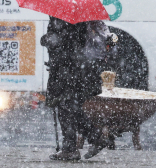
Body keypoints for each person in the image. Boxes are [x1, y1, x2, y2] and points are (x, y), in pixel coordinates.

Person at [41, 17, 117, 161]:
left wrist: (50, 40)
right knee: (68, 107)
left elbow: (72, 42)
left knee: (67, 107)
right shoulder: (66, 16)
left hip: (71, 70)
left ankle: (82, 143)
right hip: (72, 69)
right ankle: (87, 141)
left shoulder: (68, 18)